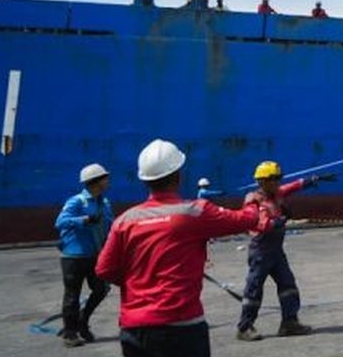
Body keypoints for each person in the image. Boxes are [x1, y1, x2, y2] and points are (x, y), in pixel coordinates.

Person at [96, 139, 272, 357]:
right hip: (182, 326)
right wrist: (253, 201)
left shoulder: (124, 220)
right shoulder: (194, 212)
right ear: (178, 176)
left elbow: (104, 269)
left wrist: (141, 281)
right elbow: (247, 220)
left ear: (144, 180)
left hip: (134, 329)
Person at [237, 161, 332, 341]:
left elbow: (294, 186)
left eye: (278, 178)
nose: (278, 182)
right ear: (262, 181)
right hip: (261, 251)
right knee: (254, 289)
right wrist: (276, 221)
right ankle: (245, 327)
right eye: (274, 179)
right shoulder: (254, 199)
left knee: (288, 285)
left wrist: (313, 179)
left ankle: (289, 323)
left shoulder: (277, 193)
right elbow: (257, 222)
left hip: (276, 251)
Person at [54, 163, 115, 346]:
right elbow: (60, 222)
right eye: (105, 177)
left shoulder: (104, 203)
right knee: (72, 295)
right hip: (74, 256)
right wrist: (85, 219)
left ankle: (82, 320)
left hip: (95, 254)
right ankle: (70, 334)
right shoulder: (77, 201)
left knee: (101, 289)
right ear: (96, 181)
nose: (108, 180)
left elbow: (111, 226)